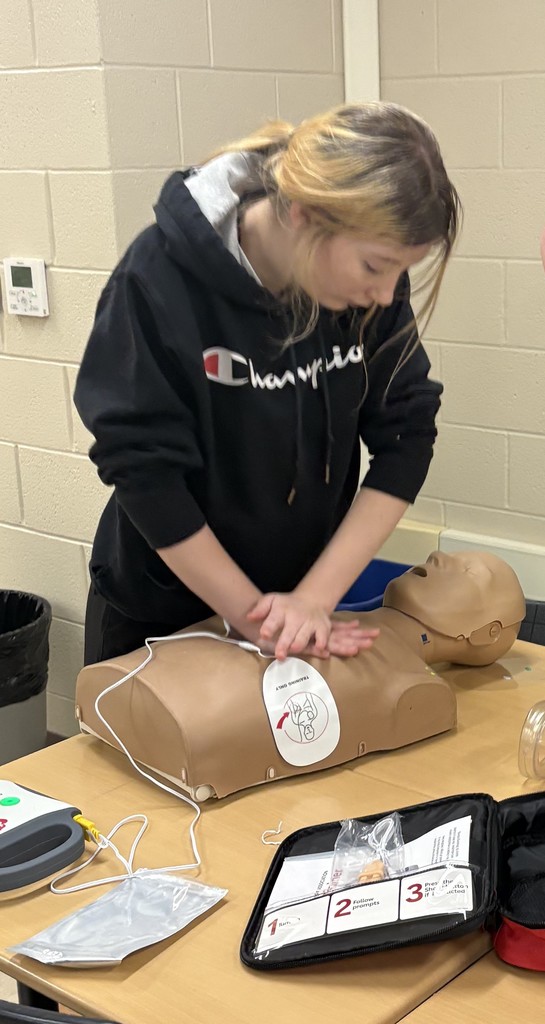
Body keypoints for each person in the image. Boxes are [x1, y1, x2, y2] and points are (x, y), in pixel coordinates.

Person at [75, 102, 461, 666]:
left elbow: (407, 436)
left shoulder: (363, 294)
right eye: (376, 266)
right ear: (304, 213)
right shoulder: (156, 279)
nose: (386, 294)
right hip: (163, 614)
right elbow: (145, 473)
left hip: (291, 614)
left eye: (401, 272)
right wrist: (252, 615)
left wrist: (312, 601)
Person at [75, 550, 526, 800]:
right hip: (139, 674)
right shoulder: (351, 626)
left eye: (470, 571)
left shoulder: (419, 689)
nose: (439, 555)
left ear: (485, 633)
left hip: (174, 741)